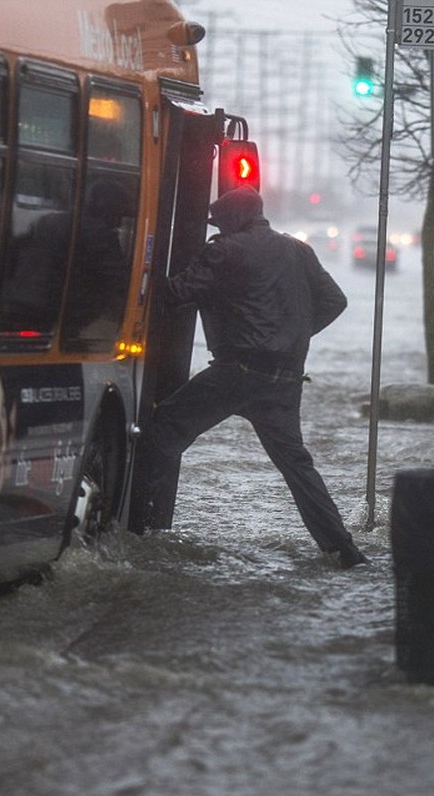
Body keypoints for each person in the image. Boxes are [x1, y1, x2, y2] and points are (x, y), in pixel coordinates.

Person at [140, 186, 368, 568]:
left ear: (229, 220)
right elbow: (335, 301)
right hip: (286, 377)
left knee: (163, 430)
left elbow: (174, 294)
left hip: (236, 372)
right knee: (297, 465)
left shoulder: (225, 250)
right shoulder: (299, 250)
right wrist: (290, 334)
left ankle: (132, 525)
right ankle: (343, 549)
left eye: (218, 222)